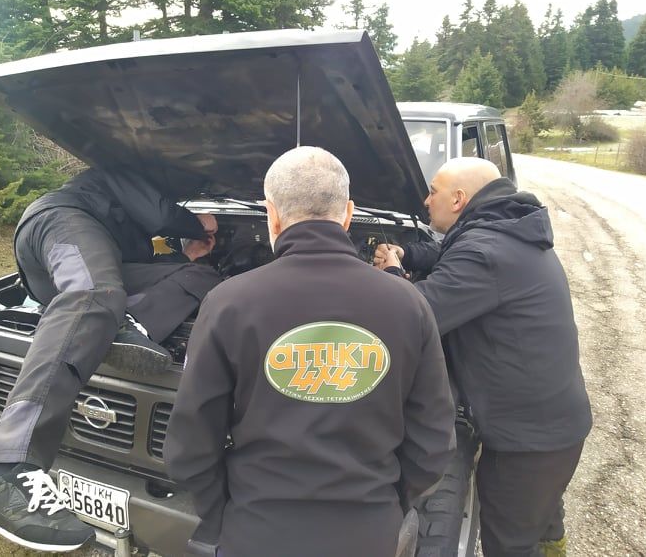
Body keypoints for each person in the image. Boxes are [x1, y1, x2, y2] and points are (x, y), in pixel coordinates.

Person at [162, 146, 457, 557]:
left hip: (256, 533)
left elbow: (191, 443)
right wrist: (386, 505)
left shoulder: (229, 302)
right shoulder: (409, 303)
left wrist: (224, 514)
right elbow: (433, 441)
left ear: (272, 215)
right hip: (369, 534)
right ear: (348, 214)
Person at [0, 167, 222, 552]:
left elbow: (148, 265)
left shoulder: (136, 224)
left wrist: (187, 255)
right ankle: (2, 467)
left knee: (195, 276)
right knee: (94, 294)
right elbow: (162, 214)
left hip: (89, 256)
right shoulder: (124, 165)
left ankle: (126, 328)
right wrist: (198, 224)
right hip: (59, 225)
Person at [375, 157, 593, 557]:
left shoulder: (486, 251)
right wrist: (406, 253)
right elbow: (447, 253)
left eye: (433, 192)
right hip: (552, 425)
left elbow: (415, 316)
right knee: (542, 518)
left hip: (528, 441)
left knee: (509, 543)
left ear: (458, 199)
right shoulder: (501, 230)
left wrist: (390, 274)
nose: (426, 200)